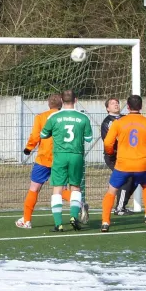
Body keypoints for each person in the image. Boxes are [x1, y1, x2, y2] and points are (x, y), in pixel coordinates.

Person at [15, 94, 83, 228]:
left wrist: (28, 148)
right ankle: (78, 203)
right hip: (62, 157)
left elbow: (35, 136)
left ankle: (26, 220)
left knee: (34, 188)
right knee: (60, 189)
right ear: (61, 103)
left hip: (44, 158)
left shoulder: (41, 117)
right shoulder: (67, 117)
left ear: (48, 104)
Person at [101, 95, 146, 232]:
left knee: (111, 191)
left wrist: (110, 153)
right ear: (141, 107)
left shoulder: (119, 122)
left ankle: (105, 222)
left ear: (127, 106)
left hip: (123, 164)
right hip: (142, 164)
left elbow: (108, 143)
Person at [40, 90, 93, 232]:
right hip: (76, 155)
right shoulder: (83, 117)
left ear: (61, 101)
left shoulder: (54, 116)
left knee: (57, 188)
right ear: (76, 100)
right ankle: (73, 217)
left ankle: (58, 224)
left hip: (60, 155)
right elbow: (88, 138)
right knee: (75, 187)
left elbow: (43, 134)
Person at [101, 97, 134, 216]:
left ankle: (121, 206)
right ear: (107, 108)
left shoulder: (126, 118)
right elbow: (108, 141)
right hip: (113, 157)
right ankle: (119, 208)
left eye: (117, 103)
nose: (116, 105)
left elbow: (139, 126)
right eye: (112, 103)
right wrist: (115, 152)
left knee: (133, 179)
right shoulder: (107, 122)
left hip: (127, 156)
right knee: (124, 179)